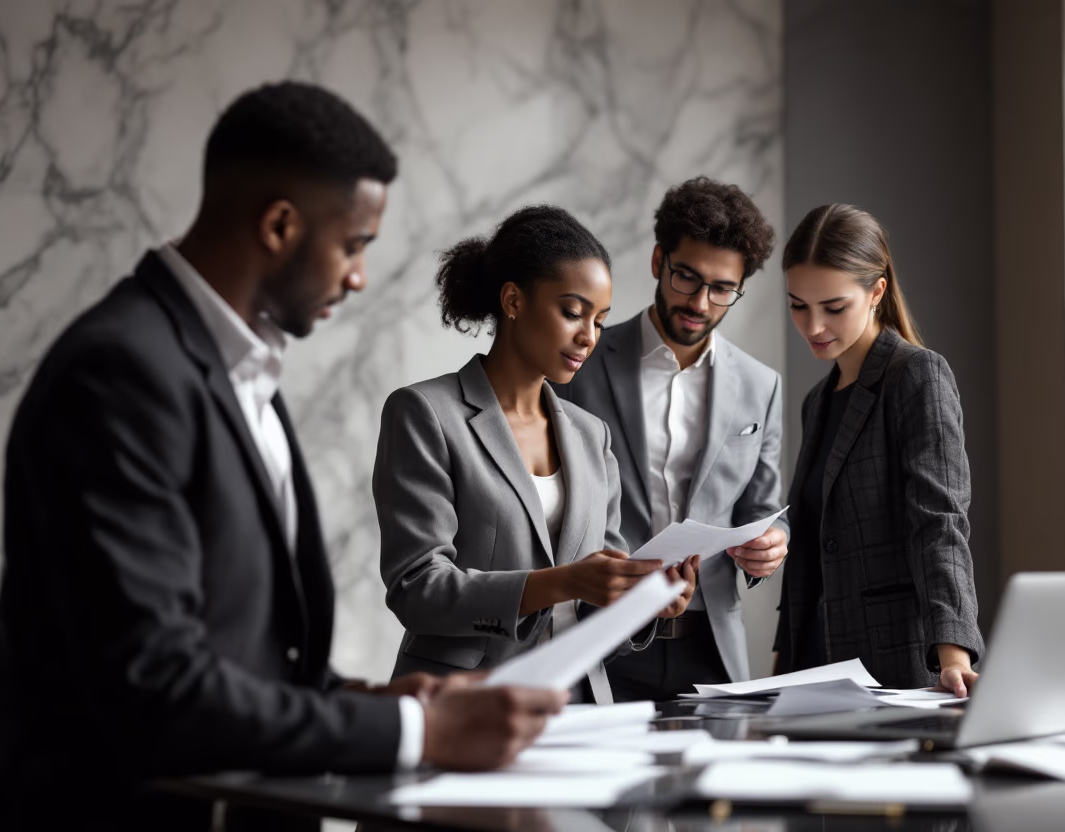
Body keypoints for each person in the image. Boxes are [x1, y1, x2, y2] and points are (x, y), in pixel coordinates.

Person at [0, 82, 567, 832]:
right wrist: (421, 736)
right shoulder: (120, 372)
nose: (360, 276)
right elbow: (152, 685)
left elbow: (247, 659)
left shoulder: (241, 373)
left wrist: (385, 702)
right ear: (279, 224)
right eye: (355, 244)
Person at [374, 205, 698, 704]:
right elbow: (418, 588)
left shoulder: (592, 437)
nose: (588, 336)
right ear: (513, 300)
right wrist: (562, 581)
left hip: (578, 709)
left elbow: (593, 608)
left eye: (600, 320)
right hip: (462, 703)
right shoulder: (425, 413)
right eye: (572, 312)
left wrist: (645, 600)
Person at [553, 177, 789, 701]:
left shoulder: (760, 385)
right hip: (601, 641)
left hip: (712, 647)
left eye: (722, 288)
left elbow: (765, 508)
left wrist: (774, 545)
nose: (701, 302)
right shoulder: (580, 363)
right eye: (687, 277)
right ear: (659, 261)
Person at [775, 203, 984, 694]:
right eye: (798, 305)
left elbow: (939, 520)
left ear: (876, 292)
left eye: (833, 307)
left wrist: (953, 650)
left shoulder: (917, 376)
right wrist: (783, 665)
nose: (812, 326)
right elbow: (811, 547)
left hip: (892, 659)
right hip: (814, 665)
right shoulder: (817, 403)